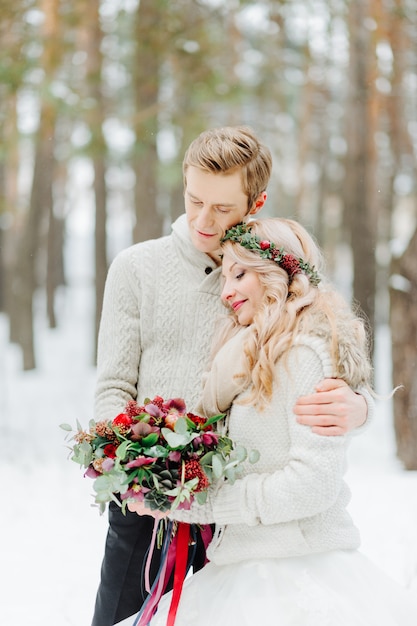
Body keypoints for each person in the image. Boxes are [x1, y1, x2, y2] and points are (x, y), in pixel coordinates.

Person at [92, 126, 371, 626]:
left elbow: (324, 343)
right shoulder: (136, 268)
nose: (203, 220)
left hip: (238, 513)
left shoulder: (271, 270)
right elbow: (113, 386)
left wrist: (360, 405)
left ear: (255, 202)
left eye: (222, 209)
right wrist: (138, 472)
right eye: (194, 200)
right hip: (150, 510)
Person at [126, 217, 417, 626]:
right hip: (240, 565)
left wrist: (202, 507)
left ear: (277, 273)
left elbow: (312, 484)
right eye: (224, 277)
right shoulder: (245, 360)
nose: (226, 293)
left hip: (296, 573)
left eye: (239, 274)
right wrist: (170, 492)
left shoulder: (304, 354)